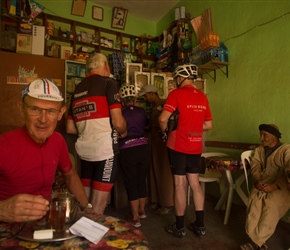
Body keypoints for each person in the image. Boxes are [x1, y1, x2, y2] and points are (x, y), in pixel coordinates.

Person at [0, 78, 90, 223]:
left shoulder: (58, 140)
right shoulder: (3, 145)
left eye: (51, 111)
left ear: (60, 114)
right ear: (21, 109)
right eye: (35, 109)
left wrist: (87, 210)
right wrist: (2, 209)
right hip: (8, 228)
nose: (43, 119)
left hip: (47, 223)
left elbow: (70, 175)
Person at [66, 52, 127, 215]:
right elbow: (118, 122)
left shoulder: (76, 90)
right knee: (98, 208)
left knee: (85, 205)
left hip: (84, 153)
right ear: (106, 66)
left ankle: (81, 234)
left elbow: (70, 129)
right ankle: (92, 238)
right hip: (104, 151)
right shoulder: (109, 83)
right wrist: (124, 131)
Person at [159, 64, 213, 238]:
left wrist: (164, 131)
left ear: (180, 78)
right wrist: (193, 127)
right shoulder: (203, 97)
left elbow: (162, 119)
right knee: (195, 184)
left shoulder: (176, 94)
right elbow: (208, 125)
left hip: (178, 146)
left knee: (180, 184)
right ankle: (200, 225)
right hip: (196, 146)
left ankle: (180, 227)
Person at [240, 124, 290, 250]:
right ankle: (258, 242)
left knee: (270, 205)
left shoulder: (286, 150)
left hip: (281, 187)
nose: (261, 138)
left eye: (265, 135)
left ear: (274, 137)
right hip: (262, 184)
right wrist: (257, 180)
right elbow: (255, 165)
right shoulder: (260, 150)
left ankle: (256, 243)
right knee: (254, 202)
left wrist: (276, 185)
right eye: (260, 135)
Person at [138, 85, 175, 215]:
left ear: (153, 93)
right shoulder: (155, 107)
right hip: (155, 142)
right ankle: (156, 200)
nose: (145, 98)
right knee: (155, 170)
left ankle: (168, 203)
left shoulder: (165, 104)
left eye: (146, 95)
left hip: (164, 143)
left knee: (164, 172)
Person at [118, 85, 150, 227]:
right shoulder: (142, 112)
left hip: (127, 149)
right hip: (143, 148)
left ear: (121, 101)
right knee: (141, 180)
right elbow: (147, 126)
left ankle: (135, 218)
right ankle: (142, 212)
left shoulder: (119, 113)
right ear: (135, 99)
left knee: (131, 183)